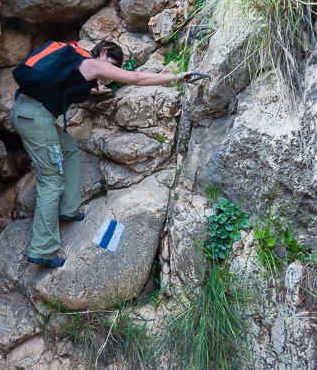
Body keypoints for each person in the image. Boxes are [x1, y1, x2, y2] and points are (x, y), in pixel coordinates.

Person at [11, 40, 198, 268]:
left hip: (28, 112)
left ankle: (68, 209)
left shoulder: (75, 64)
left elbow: (66, 86)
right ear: (103, 52)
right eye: (113, 61)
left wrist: (93, 89)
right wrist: (175, 78)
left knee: (68, 149)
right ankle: (43, 249)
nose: (113, 68)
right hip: (35, 118)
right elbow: (137, 78)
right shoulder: (92, 64)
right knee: (51, 180)